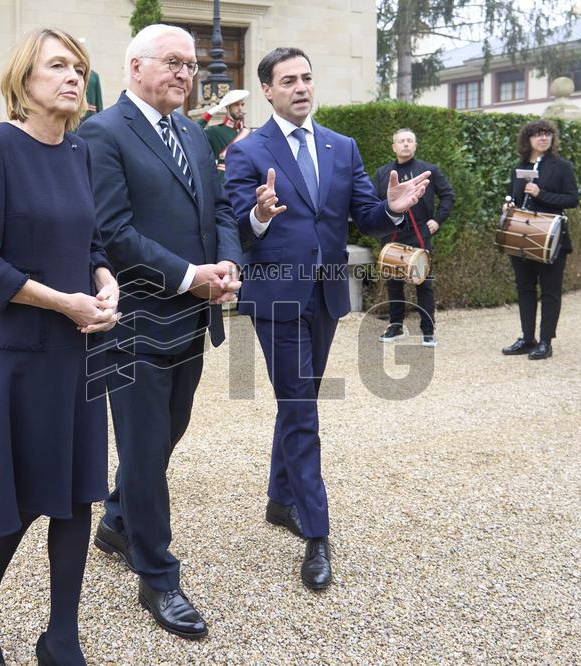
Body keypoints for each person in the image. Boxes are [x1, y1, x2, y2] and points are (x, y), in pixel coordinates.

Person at [223, 47, 429, 591]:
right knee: (300, 408)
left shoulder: (342, 146)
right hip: (276, 297)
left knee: (299, 403)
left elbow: (363, 213)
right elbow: (236, 227)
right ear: (266, 90)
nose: (300, 87)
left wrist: (391, 207)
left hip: (327, 295)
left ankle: (278, 498)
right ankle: (317, 532)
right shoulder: (249, 151)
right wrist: (259, 217)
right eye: (288, 80)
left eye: (307, 78)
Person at [0, 28, 119, 666]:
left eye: (78, 66)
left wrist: (105, 284)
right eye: (57, 66)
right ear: (23, 80)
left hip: (79, 349)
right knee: (15, 495)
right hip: (16, 353)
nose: (72, 76)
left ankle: (61, 633)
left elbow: (91, 244)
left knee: (76, 493)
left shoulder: (79, 154)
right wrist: (61, 301)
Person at [76, 24, 242, 640]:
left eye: (190, 64)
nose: (184, 73)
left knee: (168, 434)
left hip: (192, 316)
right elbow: (115, 232)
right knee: (145, 449)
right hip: (132, 321)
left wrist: (227, 266)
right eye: (172, 62)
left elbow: (220, 209)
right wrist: (189, 275)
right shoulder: (103, 133)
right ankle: (159, 575)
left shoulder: (195, 134)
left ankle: (118, 519)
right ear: (136, 66)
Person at [501, 119, 578, 360]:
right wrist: (508, 205)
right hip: (521, 235)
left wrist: (540, 194)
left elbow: (572, 199)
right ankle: (527, 338)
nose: (543, 138)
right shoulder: (519, 166)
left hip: (551, 238)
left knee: (550, 291)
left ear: (552, 138)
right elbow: (515, 197)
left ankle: (545, 342)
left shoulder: (563, 166)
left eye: (547, 134)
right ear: (528, 139)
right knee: (524, 289)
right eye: (537, 134)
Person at [372, 128, 455, 347]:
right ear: (394, 146)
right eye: (401, 141)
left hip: (419, 233)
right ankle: (396, 325)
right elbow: (372, 202)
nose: (406, 144)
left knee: (424, 282)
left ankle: (428, 330)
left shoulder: (429, 170)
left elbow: (448, 195)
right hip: (391, 234)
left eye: (410, 141)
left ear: (415, 146)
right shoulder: (383, 173)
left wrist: (437, 220)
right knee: (393, 282)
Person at [197, 89, 251, 179]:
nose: (240, 108)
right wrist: (209, 113)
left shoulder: (247, 133)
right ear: (228, 108)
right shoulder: (215, 131)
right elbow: (193, 131)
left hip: (246, 181)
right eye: (236, 105)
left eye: (242, 104)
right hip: (225, 182)